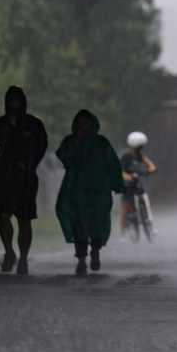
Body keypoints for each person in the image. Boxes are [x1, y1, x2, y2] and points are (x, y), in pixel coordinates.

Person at [0, 86, 49, 275]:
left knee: (24, 218)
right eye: (11, 101)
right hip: (4, 177)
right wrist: (0, 163)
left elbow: (41, 145)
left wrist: (29, 164)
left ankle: (24, 259)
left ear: (23, 102)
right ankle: (9, 252)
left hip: (26, 178)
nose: (15, 105)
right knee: (3, 215)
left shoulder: (34, 125)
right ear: (6, 102)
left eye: (18, 101)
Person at [55, 110, 123, 274]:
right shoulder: (70, 142)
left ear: (92, 124)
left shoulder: (101, 143)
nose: (83, 127)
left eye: (86, 123)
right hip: (76, 190)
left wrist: (117, 183)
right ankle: (81, 260)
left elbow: (112, 163)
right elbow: (65, 158)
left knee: (97, 224)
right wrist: (76, 144)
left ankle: (95, 250)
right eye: (80, 123)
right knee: (79, 225)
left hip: (98, 191)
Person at [120, 131, 157, 235]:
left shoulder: (139, 155)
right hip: (127, 183)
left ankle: (147, 220)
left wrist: (151, 168)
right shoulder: (125, 155)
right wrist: (125, 175)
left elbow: (149, 163)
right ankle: (123, 230)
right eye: (140, 146)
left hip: (136, 180)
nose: (141, 148)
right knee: (126, 206)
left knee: (147, 200)